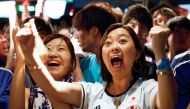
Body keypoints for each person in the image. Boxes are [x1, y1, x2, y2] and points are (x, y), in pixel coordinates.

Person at [17, 22, 177, 109]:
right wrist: (29, 54)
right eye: (108, 43)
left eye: (122, 41)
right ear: (103, 55)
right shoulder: (92, 92)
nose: (114, 47)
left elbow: (167, 104)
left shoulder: (147, 89)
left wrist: (160, 54)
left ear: (136, 53)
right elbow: (51, 88)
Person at [10, 19, 78, 109]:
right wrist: (21, 57)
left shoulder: (81, 90)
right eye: (48, 49)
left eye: (61, 49)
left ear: (72, 64)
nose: (52, 54)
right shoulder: (30, 94)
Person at [72, 2, 117, 83]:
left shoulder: (116, 67)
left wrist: (77, 70)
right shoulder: (85, 62)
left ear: (94, 31)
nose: (76, 36)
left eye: (79, 29)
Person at [122, 4, 156, 80]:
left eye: (143, 27)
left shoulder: (156, 58)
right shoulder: (117, 54)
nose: (137, 32)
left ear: (149, 31)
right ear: (123, 28)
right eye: (133, 25)